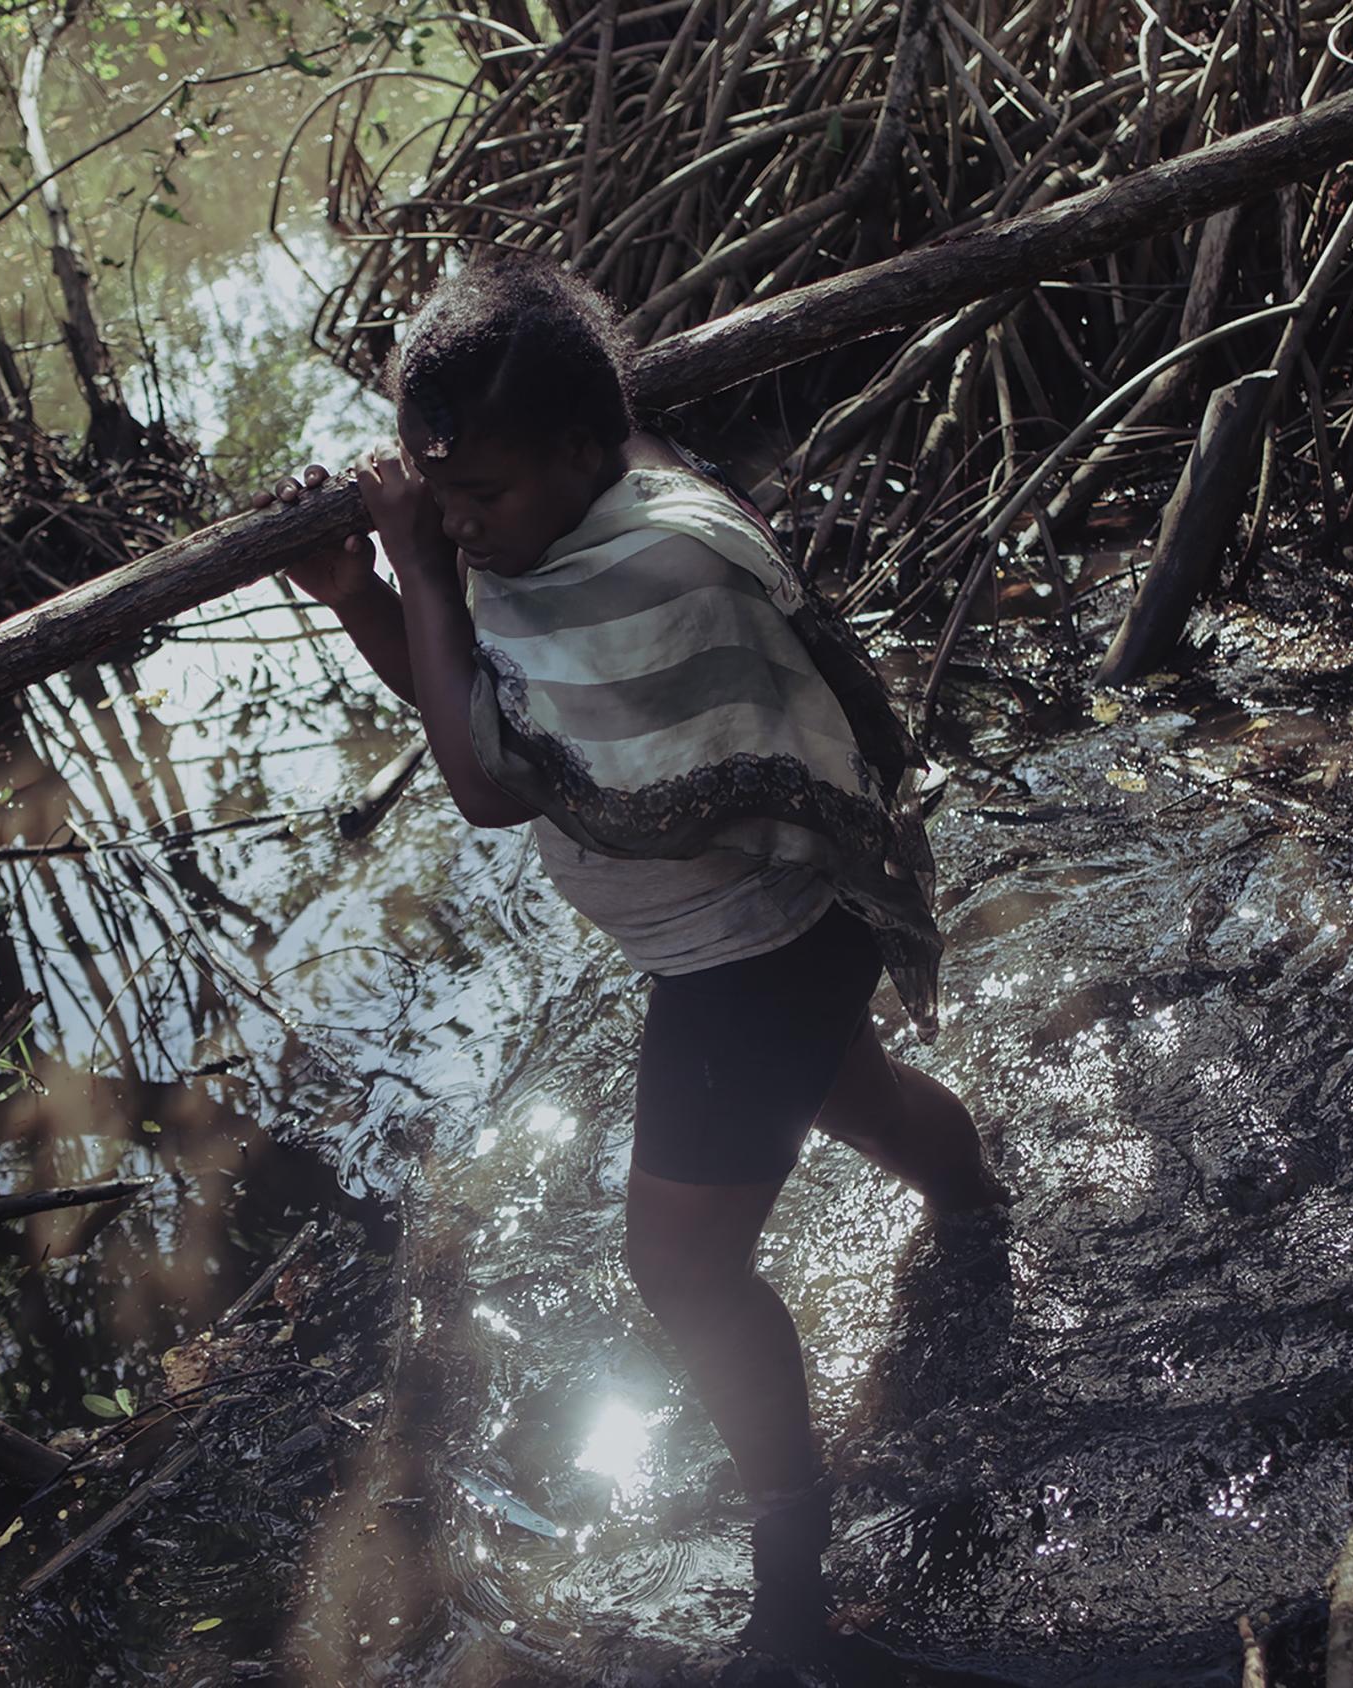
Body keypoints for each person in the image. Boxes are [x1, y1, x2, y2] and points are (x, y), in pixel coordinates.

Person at [258, 256, 1008, 1647]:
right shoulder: (580, 513)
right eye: (448, 497)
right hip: (792, 918)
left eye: (486, 497)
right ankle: (981, 1204)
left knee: (679, 1269)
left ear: (585, 449)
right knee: (855, 1097)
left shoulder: (652, 567)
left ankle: (792, 1561)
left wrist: (411, 571)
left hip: (753, 952)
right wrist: (364, 591)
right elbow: (489, 705)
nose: (468, 529)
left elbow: (488, 779)